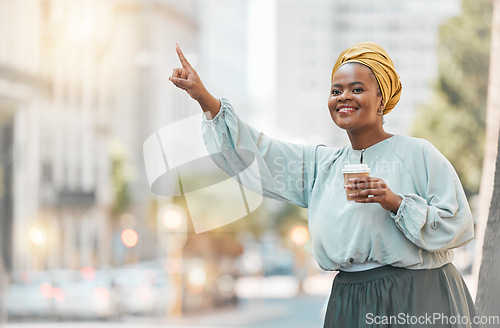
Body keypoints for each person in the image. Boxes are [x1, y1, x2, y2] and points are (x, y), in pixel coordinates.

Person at [169, 41, 478, 327]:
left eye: (357, 89)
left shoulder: (418, 153)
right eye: (336, 90)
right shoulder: (320, 165)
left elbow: (457, 224)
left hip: (419, 293)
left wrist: (395, 203)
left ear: (381, 99)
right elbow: (257, 152)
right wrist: (202, 96)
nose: (344, 97)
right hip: (350, 299)